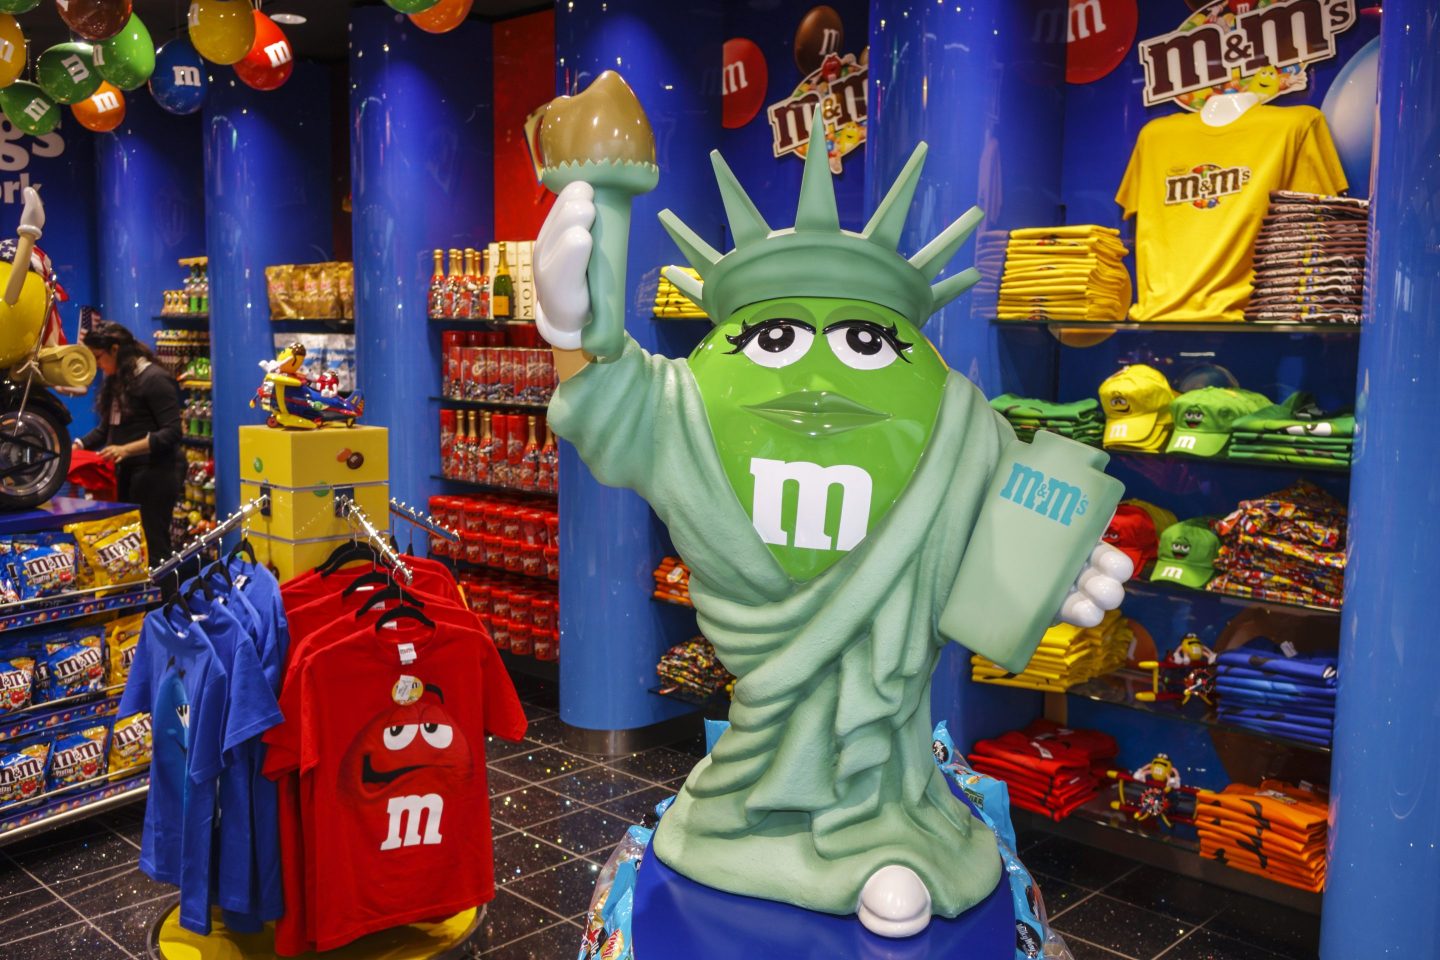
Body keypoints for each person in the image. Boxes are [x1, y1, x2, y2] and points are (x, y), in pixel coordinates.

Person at [76, 322, 182, 562]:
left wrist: (126, 450)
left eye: (98, 357)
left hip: (156, 472)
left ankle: (164, 587)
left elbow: (172, 432)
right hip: (128, 473)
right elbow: (107, 429)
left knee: (153, 544)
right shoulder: (119, 379)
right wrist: (77, 446)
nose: (98, 364)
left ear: (115, 349)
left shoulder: (154, 379)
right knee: (131, 545)